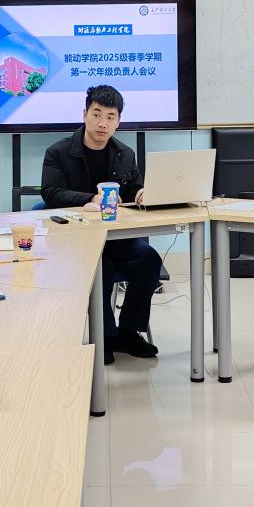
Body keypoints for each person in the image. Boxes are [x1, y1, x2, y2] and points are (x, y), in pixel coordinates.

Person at [41, 85, 160, 364]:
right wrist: (90, 198)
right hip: (74, 240)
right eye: (96, 114)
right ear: (84, 114)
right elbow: (50, 193)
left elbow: (131, 188)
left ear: (118, 121)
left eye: (110, 117)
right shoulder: (58, 152)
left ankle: (128, 331)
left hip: (115, 237)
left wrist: (141, 193)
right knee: (100, 264)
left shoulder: (124, 153)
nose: (102, 123)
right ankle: (104, 335)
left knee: (149, 259)